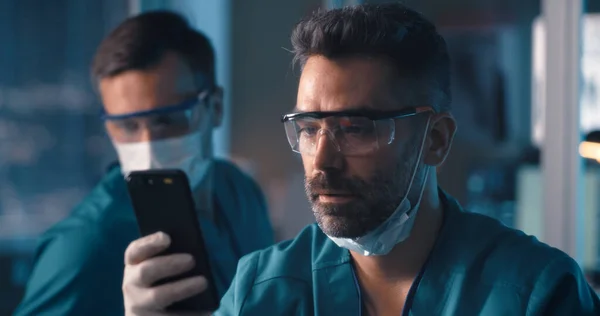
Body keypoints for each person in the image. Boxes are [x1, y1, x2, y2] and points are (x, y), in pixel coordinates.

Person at [121, 4, 600, 316]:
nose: (322, 160)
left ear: (435, 139)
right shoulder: (263, 291)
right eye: (309, 129)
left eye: (356, 129)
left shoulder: (534, 293)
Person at [13, 11, 273, 316]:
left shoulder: (241, 193)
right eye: (127, 126)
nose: (148, 144)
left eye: (169, 119)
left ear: (215, 107)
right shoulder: (83, 247)